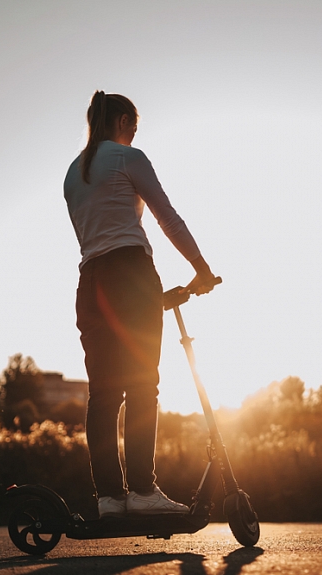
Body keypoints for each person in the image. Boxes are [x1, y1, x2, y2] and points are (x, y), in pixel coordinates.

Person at [63, 90, 216, 518]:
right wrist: (201, 268)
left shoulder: (73, 174)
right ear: (123, 120)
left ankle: (110, 499)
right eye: (133, 124)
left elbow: (98, 239)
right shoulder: (128, 158)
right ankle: (144, 492)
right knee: (142, 384)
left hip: (89, 282)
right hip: (130, 272)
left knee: (104, 394)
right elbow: (166, 216)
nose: (134, 132)